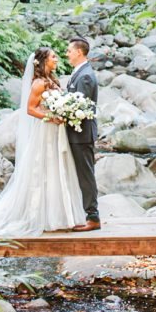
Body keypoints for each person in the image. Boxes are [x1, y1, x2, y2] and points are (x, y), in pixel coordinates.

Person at [0, 46, 86, 237]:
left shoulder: (51, 81)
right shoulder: (39, 83)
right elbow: (31, 109)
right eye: (53, 57)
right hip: (45, 131)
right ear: (43, 61)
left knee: (58, 170)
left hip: (57, 131)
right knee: (43, 169)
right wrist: (51, 116)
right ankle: (37, 216)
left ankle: (59, 216)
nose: (56, 59)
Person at [65, 37, 101, 231]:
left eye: (69, 51)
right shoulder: (79, 72)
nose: (67, 54)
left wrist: (59, 112)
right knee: (81, 174)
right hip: (76, 134)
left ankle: (93, 217)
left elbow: (81, 108)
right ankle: (82, 213)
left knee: (86, 175)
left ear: (79, 52)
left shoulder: (85, 75)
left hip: (82, 135)